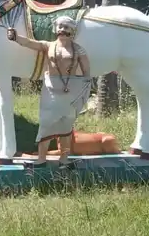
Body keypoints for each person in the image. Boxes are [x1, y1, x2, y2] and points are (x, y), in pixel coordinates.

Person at [7, 16, 91, 167]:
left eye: (66, 27)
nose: (62, 30)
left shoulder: (79, 50)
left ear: (72, 30)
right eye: (59, 27)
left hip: (69, 92)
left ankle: (64, 159)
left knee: (66, 125)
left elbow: (86, 75)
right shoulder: (48, 46)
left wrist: (81, 93)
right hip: (51, 89)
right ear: (55, 29)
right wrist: (15, 37)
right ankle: (41, 159)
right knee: (46, 123)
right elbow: (30, 43)